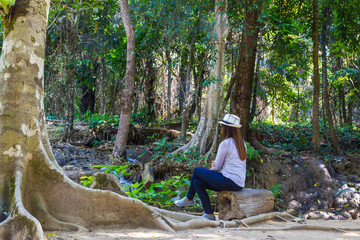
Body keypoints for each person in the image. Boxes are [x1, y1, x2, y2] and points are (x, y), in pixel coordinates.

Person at [174, 113, 247, 220]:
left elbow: (217, 167)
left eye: (223, 126)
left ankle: (189, 199)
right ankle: (209, 214)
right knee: (197, 182)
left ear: (227, 128)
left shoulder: (225, 143)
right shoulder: (242, 143)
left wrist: (213, 168)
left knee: (198, 171)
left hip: (228, 180)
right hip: (238, 183)